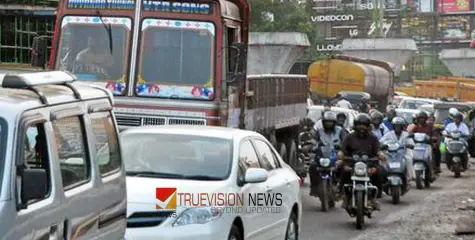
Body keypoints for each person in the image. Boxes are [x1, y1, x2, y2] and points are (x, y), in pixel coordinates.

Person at [336, 113, 387, 210]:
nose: (362, 127)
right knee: (342, 170)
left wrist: (381, 155)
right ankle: (344, 195)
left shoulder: (373, 138)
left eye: (364, 125)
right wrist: (341, 154)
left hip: (369, 163)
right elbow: (342, 149)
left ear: (368, 126)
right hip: (352, 163)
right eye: (359, 124)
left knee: (380, 172)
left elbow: (378, 149)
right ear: (355, 125)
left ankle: (374, 197)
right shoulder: (349, 137)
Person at [309, 111, 346, 196]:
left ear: (334, 122)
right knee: (313, 166)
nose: (329, 124)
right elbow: (314, 140)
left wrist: (342, 148)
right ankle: (314, 187)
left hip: (336, 155)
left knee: (344, 167)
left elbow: (345, 141)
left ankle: (341, 187)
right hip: (322, 154)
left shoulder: (340, 131)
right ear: (323, 122)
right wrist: (312, 146)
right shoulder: (319, 131)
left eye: (331, 122)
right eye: (327, 121)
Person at [379, 117, 415, 181]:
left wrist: (409, 145)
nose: (397, 127)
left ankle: (409, 176)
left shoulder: (406, 134)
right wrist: (383, 146)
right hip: (390, 154)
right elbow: (381, 141)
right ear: (393, 126)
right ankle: (383, 176)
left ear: (402, 127)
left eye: (399, 126)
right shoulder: (388, 134)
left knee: (409, 158)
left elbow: (411, 143)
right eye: (396, 126)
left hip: (402, 154)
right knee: (382, 159)